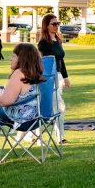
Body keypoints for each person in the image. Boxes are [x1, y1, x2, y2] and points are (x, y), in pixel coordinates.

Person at [0, 43, 45, 158]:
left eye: (14, 56)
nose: (11, 59)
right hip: (36, 118)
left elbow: (4, 101)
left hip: (22, 120)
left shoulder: (19, 73)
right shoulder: (37, 73)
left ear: (22, 58)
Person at [37, 13, 71, 143]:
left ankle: (59, 136)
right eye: (54, 24)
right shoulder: (43, 43)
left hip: (58, 76)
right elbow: (40, 62)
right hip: (49, 78)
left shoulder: (58, 40)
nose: (57, 26)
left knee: (57, 107)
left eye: (58, 23)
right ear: (46, 26)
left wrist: (66, 77)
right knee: (57, 107)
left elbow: (61, 60)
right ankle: (58, 137)